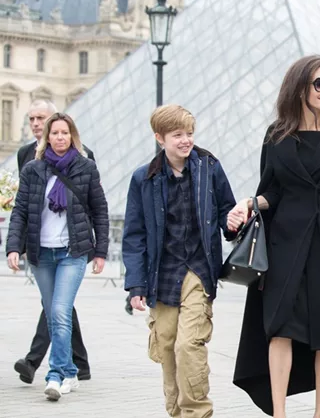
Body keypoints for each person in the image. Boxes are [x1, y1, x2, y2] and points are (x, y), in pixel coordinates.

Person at [230, 55, 320, 418]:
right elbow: (271, 192)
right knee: (280, 327)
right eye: (319, 84)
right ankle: (279, 413)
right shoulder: (276, 135)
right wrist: (249, 202)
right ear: (299, 88)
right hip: (285, 244)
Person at [123, 104, 237, 417]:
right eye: (177, 135)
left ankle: (197, 412)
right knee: (168, 348)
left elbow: (226, 211)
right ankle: (175, 412)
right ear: (160, 138)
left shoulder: (209, 167)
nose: (186, 140)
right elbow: (134, 235)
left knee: (189, 345)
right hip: (162, 274)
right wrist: (135, 285)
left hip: (199, 271)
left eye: (189, 133)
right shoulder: (143, 179)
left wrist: (233, 220)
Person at [6, 112, 109, 401]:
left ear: (72, 135)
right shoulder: (33, 170)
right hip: (41, 254)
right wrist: (13, 247)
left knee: (61, 312)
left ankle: (55, 375)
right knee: (53, 315)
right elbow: (21, 212)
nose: (60, 137)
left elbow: (100, 210)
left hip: (72, 253)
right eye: (55, 133)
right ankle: (71, 370)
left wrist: (100, 251)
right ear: (47, 137)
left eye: (65, 133)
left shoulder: (86, 168)